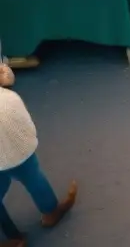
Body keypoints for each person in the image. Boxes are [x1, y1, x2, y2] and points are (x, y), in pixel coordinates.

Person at [0, 64, 77, 240]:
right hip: (21, 149)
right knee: (34, 177)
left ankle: (12, 238)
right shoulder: (10, 98)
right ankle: (51, 212)